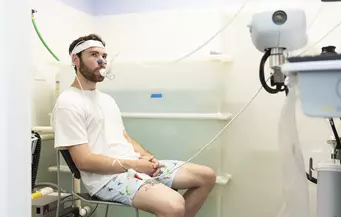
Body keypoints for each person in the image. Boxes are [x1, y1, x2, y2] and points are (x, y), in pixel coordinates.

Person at [51, 34, 217, 217]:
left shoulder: (107, 100)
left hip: (132, 165)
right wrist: (135, 165)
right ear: (76, 59)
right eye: (93, 54)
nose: (101, 61)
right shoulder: (68, 102)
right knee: (174, 205)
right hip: (105, 179)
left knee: (206, 176)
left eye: (104, 56)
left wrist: (148, 158)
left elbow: (125, 138)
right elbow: (84, 161)